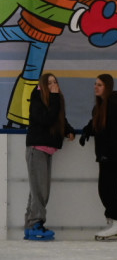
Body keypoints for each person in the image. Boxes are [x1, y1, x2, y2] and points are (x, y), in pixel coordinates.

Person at [23, 72, 75, 241]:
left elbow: (59, 119)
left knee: (38, 188)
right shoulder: (37, 96)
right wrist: (53, 97)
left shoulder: (55, 99)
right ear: (43, 85)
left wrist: (68, 130)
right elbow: (45, 119)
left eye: (55, 82)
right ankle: (36, 223)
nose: (53, 85)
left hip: (47, 148)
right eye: (50, 82)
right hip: (37, 148)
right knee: (40, 190)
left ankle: (31, 225)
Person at [80, 74, 117, 241]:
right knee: (104, 189)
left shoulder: (113, 105)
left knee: (108, 189)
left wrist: (107, 153)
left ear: (107, 87)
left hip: (114, 153)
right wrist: (87, 130)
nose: (96, 87)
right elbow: (97, 124)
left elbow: (115, 131)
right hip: (105, 154)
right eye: (95, 84)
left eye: (99, 85)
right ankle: (114, 221)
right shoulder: (100, 106)